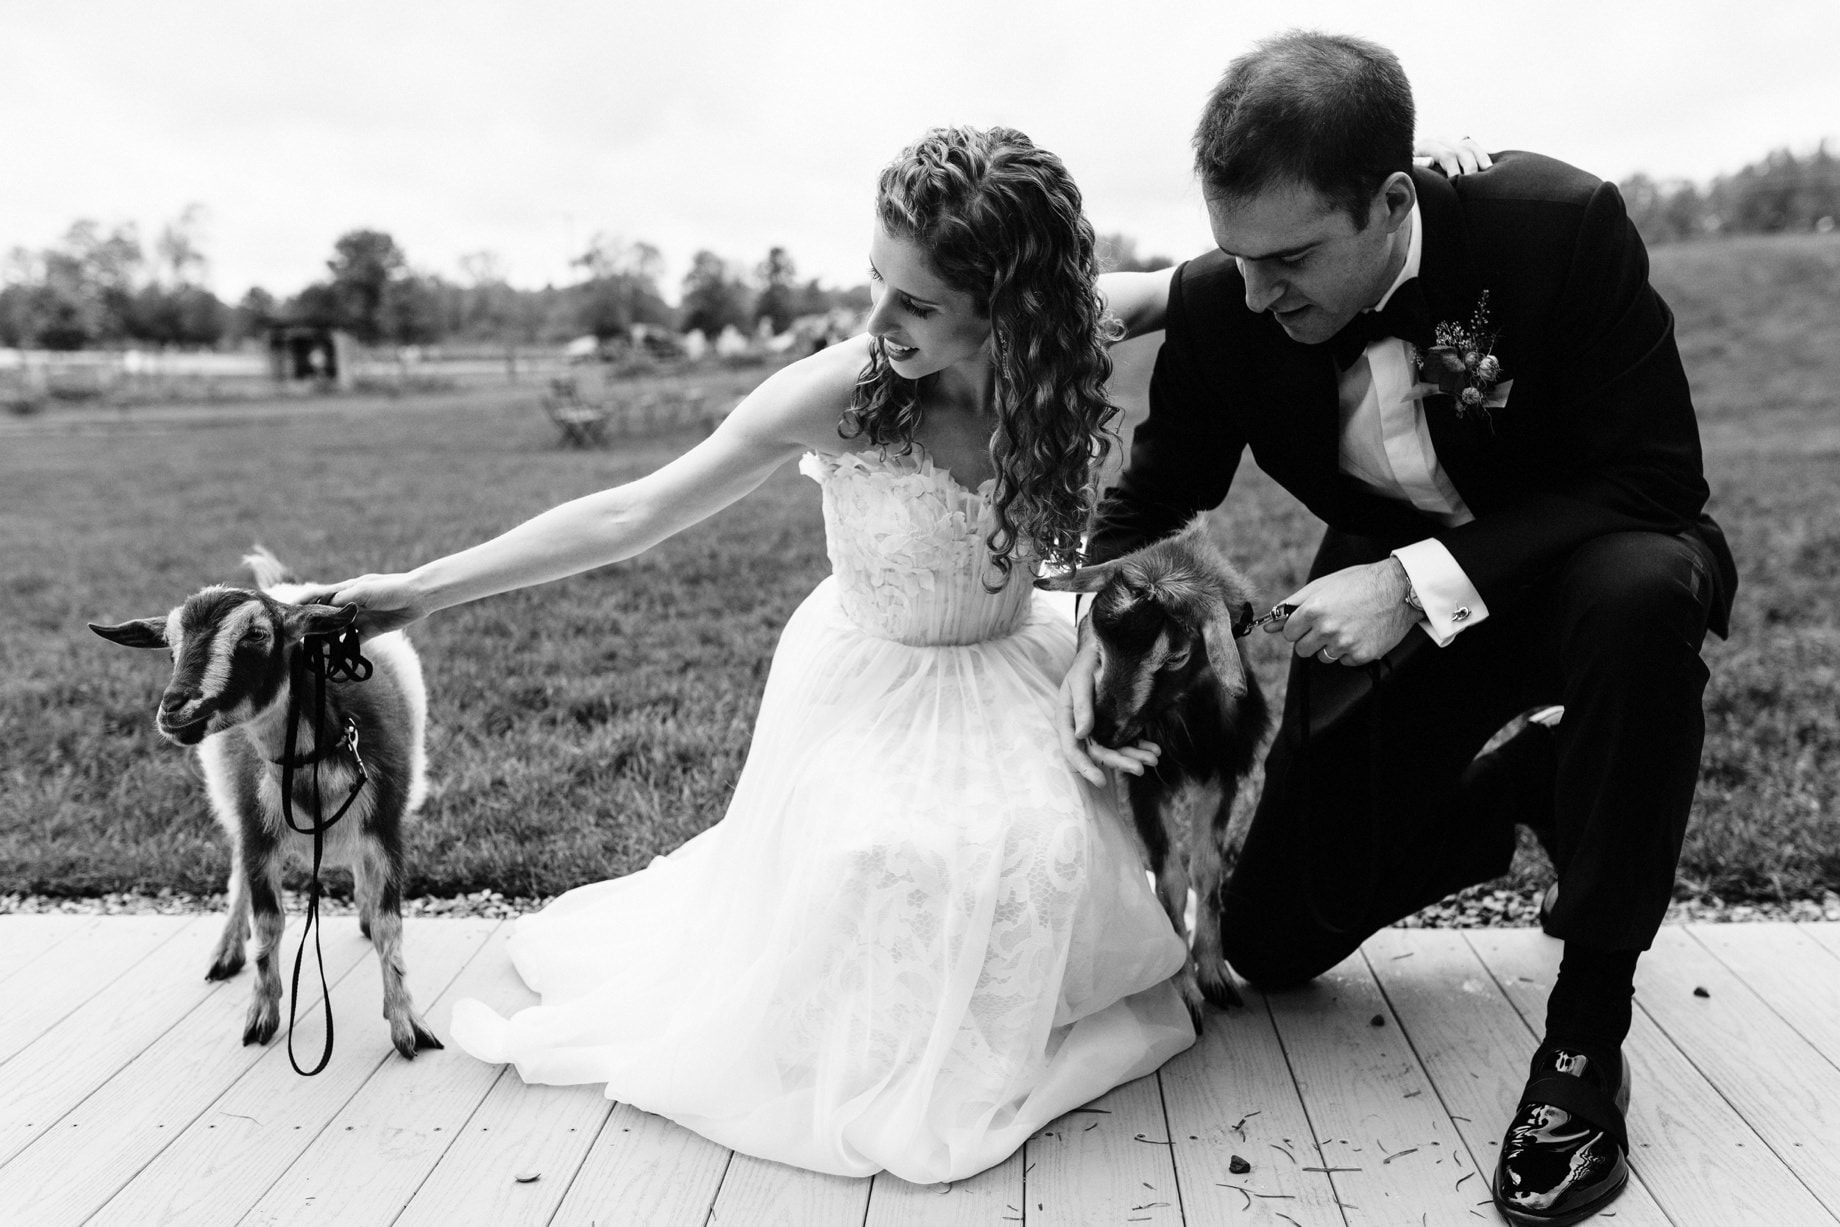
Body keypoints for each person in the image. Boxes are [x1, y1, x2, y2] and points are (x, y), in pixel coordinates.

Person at [316, 123, 1486, 1184]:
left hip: (1012, 661)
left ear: (1015, 307)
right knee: (896, 863)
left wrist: (1442, 180)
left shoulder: (1083, 338)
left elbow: (1274, 255)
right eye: (877, 281)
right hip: (871, 677)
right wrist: (413, 592)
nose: (878, 322)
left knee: (1035, 862)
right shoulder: (845, 393)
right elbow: (632, 513)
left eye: (916, 304)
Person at [1060, 31, 1737, 1226]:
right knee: (1274, 940)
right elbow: (1160, 491)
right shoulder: (1230, 304)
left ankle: (1582, 1047)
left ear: (1390, 198)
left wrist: (1418, 578)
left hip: (1592, 565)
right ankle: (1534, 778)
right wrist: (1072, 607)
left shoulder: (1558, 225)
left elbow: (1656, 480)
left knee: (1644, 599)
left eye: (1291, 260)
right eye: (1237, 258)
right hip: (1391, 612)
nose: (1259, 296)